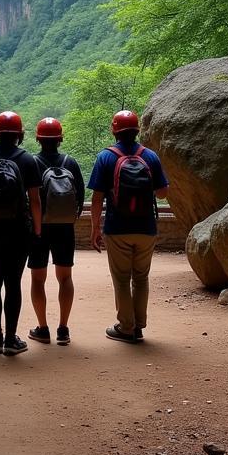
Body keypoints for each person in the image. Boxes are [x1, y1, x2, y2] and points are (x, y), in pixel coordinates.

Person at [88, 110, 169, 344]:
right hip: (146, 227)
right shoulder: (150, 156)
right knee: (141, 278)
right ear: (137, 131)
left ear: (114, 131)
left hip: (117, 227)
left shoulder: (106, 157)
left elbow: (96, 198)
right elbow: (163, 192)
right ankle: (139, 326)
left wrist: (95, 228)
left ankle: (126, 327)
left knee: (122, 279)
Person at [0, 112, 42, 356]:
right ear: (20, 134)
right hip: (18, 230)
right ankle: (12, 340)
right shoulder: (27, 161)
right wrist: (37, 230)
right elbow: (34, 200)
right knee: (13, 283)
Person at [27, 117, 85, 346]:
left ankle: (42, 328)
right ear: (60, 138)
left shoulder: (31, 163)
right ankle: (63, 329)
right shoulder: (70, 163)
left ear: (38, 138)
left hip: (39, 229)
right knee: (65, 278)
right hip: (64, 229)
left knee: (38, 279)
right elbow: (80, 197)